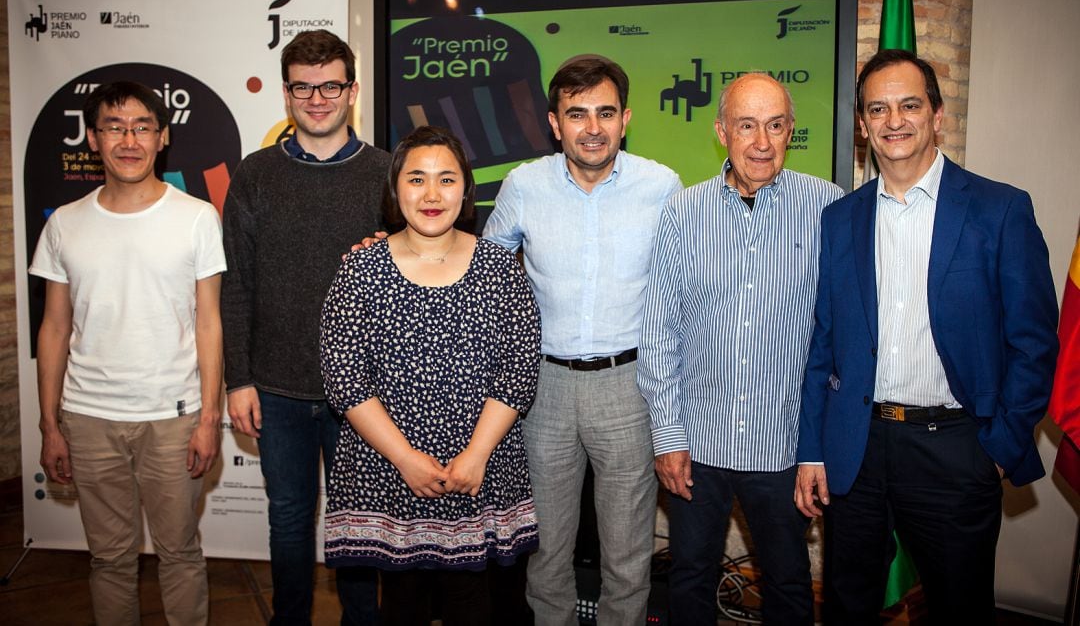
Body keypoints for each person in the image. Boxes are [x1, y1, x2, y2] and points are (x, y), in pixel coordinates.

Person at [794, 49, 1059, 624]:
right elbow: (824, 345)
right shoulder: (841, 219)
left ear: (937, 115)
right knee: (847, 605)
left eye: (910, 105)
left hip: (955, 449)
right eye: (879, 109)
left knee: (958, 609)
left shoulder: (1000, 210)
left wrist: (997, 446)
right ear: (863, 126)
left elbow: (1035, 343)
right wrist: (814, 448)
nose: (895, 121)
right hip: (857, 450)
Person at [637, 73, 843, 625]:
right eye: (746, 125)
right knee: (690, 579)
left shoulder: (828, 208)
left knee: (790, 582)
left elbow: (840, 339)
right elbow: (659, 334)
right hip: (698, 447)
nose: (761, 142)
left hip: (786, 448)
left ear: (790, 131)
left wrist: (817, 447)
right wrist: (668, 436)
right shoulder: (682, 213)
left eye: (775, 126)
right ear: (721, 130)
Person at [484, 56, 682, 625]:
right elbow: (481, 273)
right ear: (554, 123)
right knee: (547, 549)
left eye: (604, 113)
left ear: (625, 119)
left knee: (627, 551)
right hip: (542, 389)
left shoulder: (661, 186)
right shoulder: (523, 185)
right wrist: (400, 249)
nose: (592, 127)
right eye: (577, 114)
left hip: (629, 386)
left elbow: (687, 282)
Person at [320, 125, 541, 626]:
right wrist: (405, 459)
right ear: (396, 190)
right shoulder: (360, 270)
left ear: (466, 189)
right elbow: (344, 378)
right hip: (391, 473)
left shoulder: (500, 269)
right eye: (417, 179)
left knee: (475, 604)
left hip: (479, 471)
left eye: (447, 179)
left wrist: (476, 455)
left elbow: (519, 368)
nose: (432, 194)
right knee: (401, 605)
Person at [32, 81, 224, 626]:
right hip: (89, 419)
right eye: (114, 127)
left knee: (180, 553)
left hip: (174, 418)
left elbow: (210, 323)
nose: (129, 139)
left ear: (162, 138)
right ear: (92, 139)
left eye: (142, 127)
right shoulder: (64, 223)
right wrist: (50, 425)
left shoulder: (196, 218)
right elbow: (53, 327)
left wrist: (211, 417)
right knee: (109, 558)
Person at [221, 29, 389, 625]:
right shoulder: (255, 175)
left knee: (358, 525)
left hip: (365, 396)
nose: (317, 99)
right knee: (289, 518)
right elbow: (235, 284)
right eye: (303, 88)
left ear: (352, 91)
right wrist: (236, 380)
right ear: (287, 94)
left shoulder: (388, 174)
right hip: (275, 388)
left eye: (330, 86)